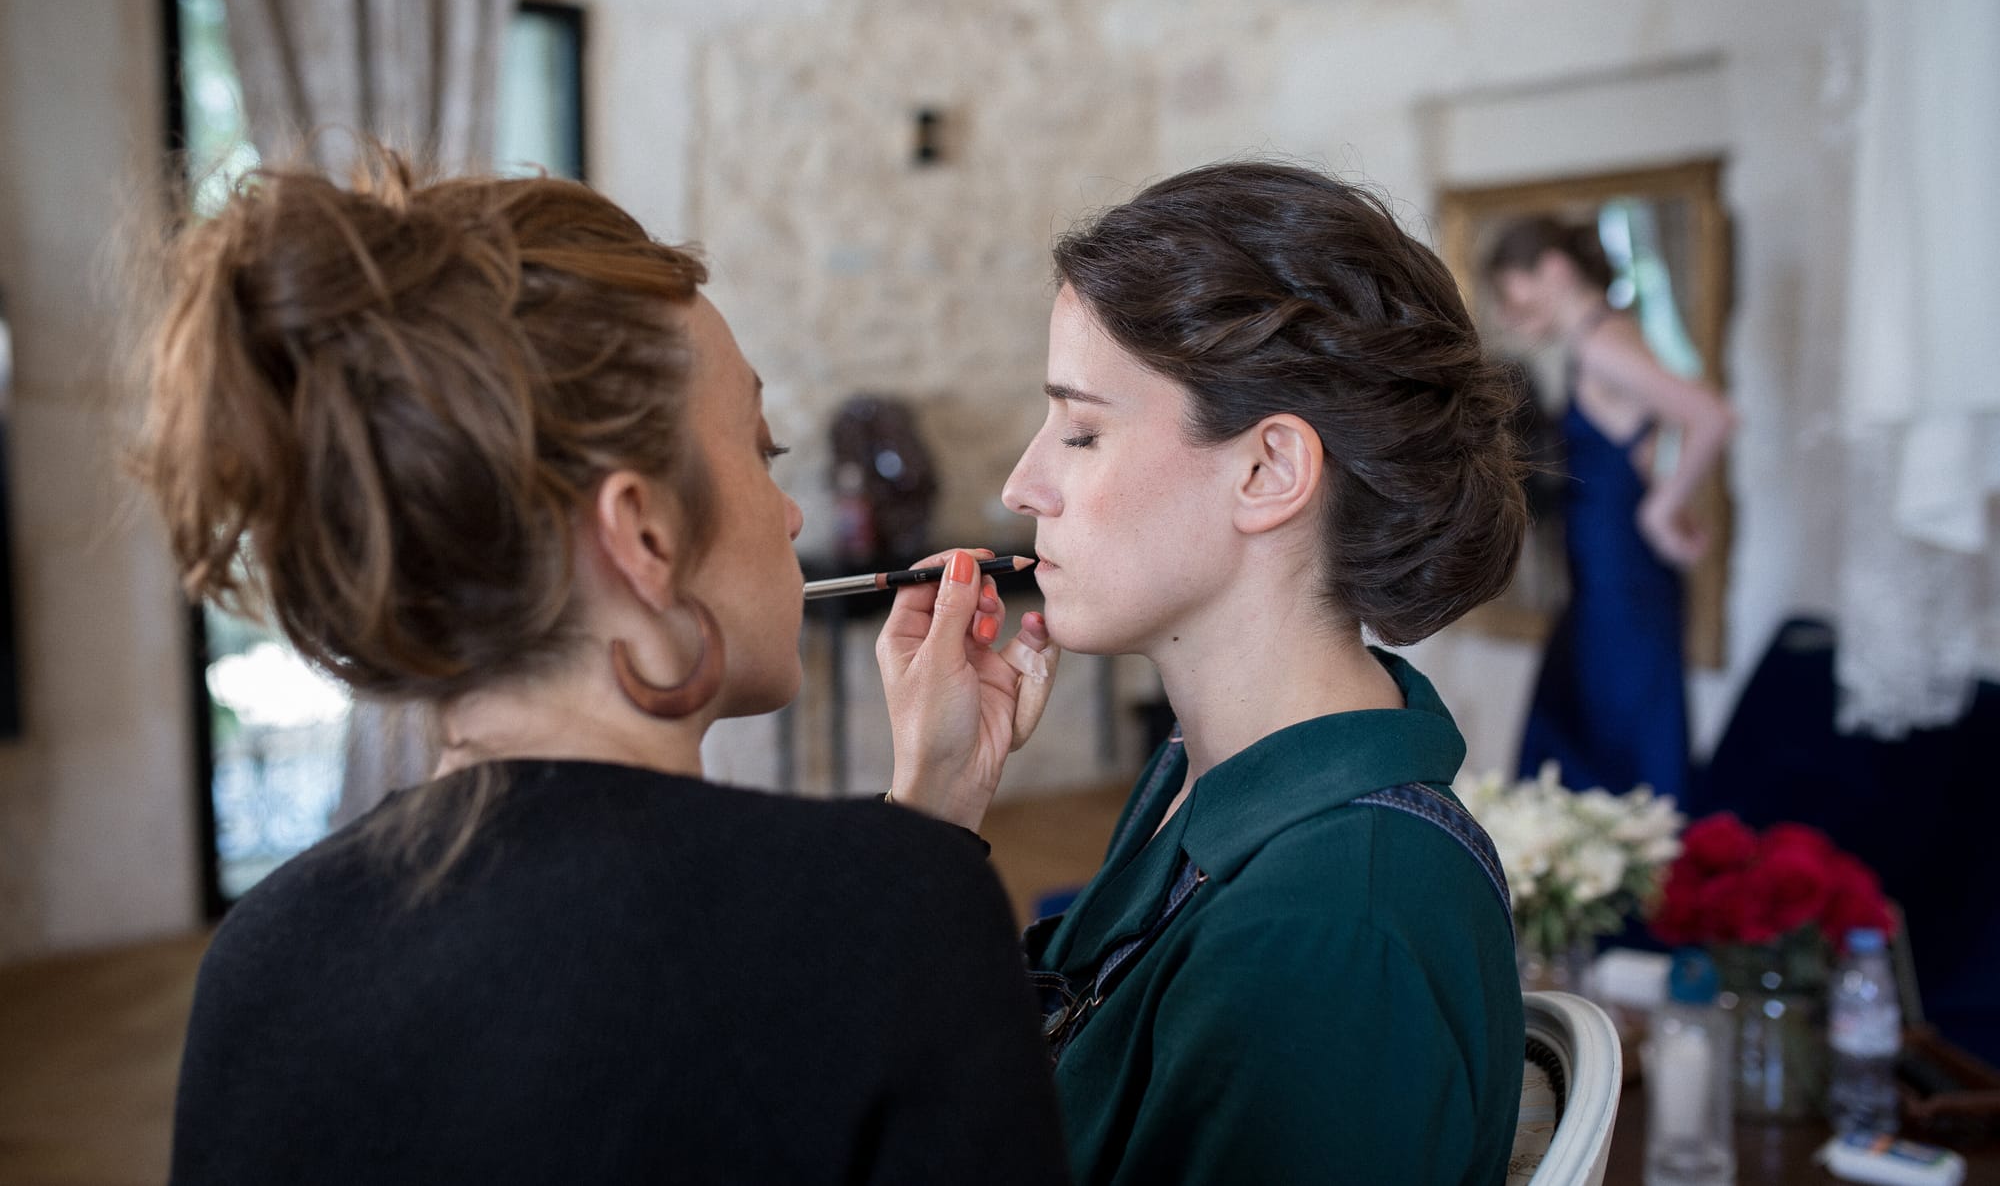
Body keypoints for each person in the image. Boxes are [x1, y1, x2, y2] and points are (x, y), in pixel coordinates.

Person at [138, 157, 1068, 1185]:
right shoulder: (891, 914)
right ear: (642, 534)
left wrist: (927, 814)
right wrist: (922, 875)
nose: (790, 513)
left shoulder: (262, 958)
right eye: (762, 451)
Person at [878, 162, 1530, 1185]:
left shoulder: (1331, 934)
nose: (1020, 484)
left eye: (1081, 430)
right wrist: (932, 814)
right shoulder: (1207, 775)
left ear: (1267, 470)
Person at [1485, 217, 1738, 803]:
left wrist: (1661, 509)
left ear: (1553, 269)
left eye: (1510, 290)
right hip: (1609, 575)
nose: (1505, 313)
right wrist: (1662, 496)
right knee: (1596, 731)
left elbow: (1711, 415)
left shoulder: (1602, 345)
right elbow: (1637, 441)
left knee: (1609, 741)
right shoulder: (1605, 335)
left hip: (1618, 584)